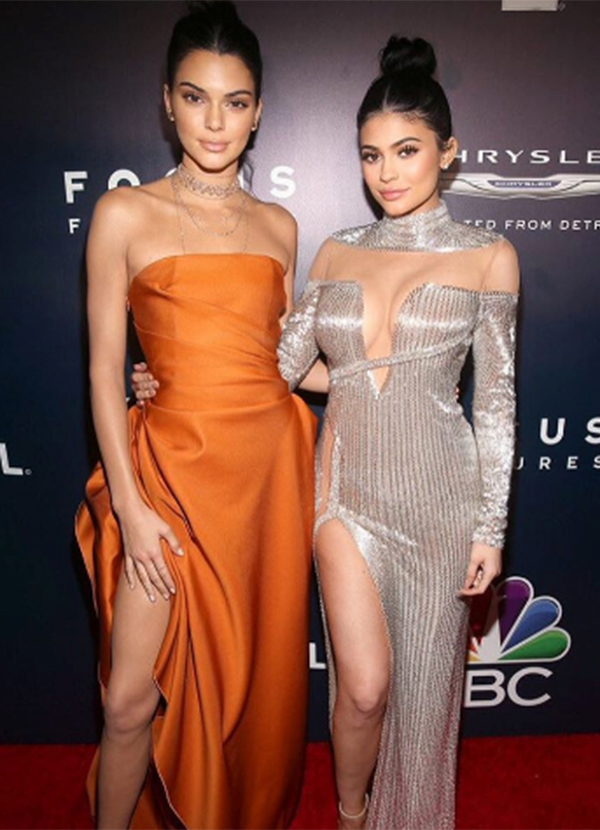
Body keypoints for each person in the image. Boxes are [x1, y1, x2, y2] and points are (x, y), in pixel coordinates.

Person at [133, 33, 519, 830]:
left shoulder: (489, 257)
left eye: (407, 151)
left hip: (442, 500)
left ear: (448, 153)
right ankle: (350, 813)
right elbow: (276, 364)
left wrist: (490, 527)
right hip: (345, 493)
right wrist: (174, 371)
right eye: (372, 155)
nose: (387, 173)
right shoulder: (339, 251)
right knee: (365, 688)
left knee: (424, 699)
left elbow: (497, 403)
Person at [75, 3, 317, 828]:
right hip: (167, 479)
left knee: (244, 691)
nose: (215, 122)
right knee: (128, 701)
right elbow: (103, 370)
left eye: (235, 101)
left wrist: (396, 370)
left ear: (258, 112)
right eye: (195, 97)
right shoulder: (124, 214)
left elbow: (280, 357)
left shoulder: (280, 228)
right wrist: (131, 507)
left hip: (262, 484)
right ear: (166, 102)